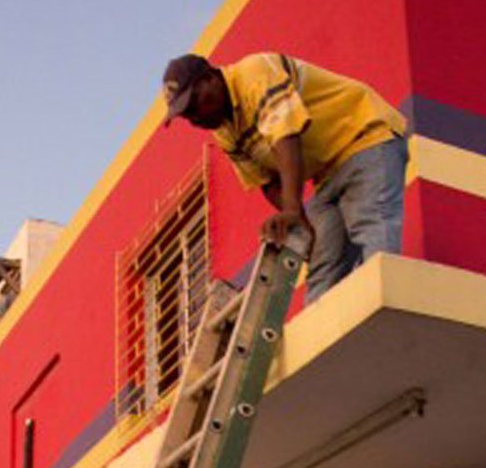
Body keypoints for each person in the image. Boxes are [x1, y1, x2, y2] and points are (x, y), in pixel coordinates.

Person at [162, 52, 408, 303]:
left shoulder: (254, 73)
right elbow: (267, 181)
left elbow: (286, 138)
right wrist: (300, 222)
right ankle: (321, 338)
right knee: (322, 263)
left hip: (365, 137)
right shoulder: (225, 132)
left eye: (194, 104)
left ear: (209, 78)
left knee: (372, 231)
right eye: (187, 116)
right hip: (326, 174)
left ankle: (387, 317)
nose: (195, 118)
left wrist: (291, 208)